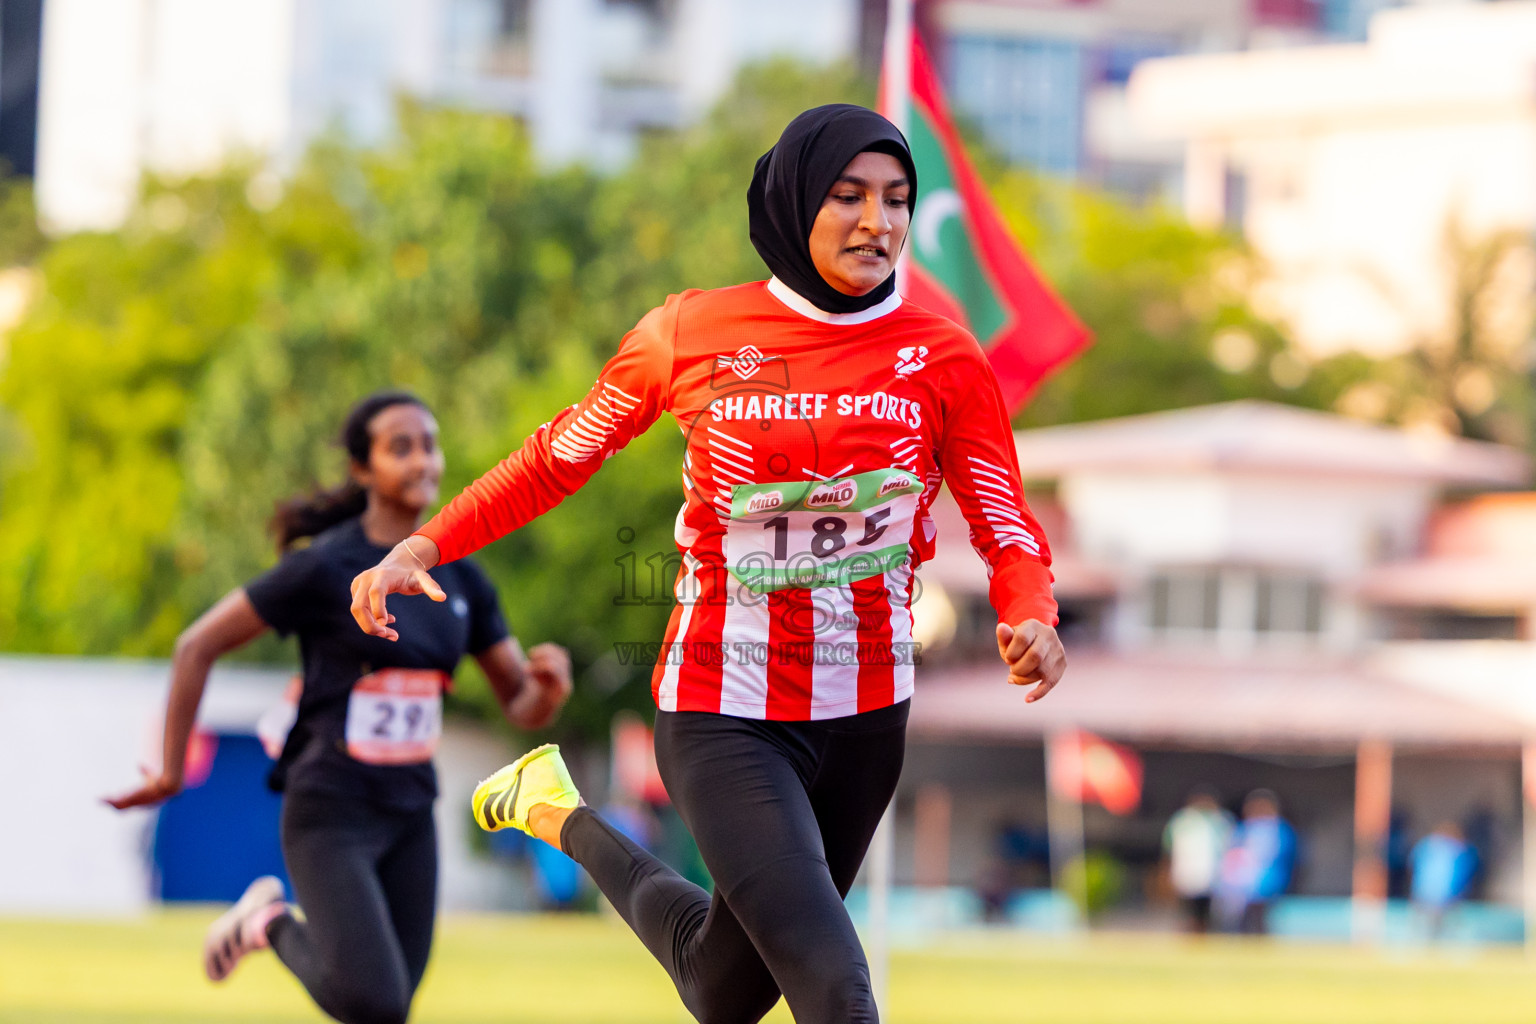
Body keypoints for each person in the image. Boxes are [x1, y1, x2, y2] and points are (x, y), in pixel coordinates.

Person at [350, 104, 1067, 1024]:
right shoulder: (689, 333)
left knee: (721, 990)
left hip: (865, 718)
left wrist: (1034, 612)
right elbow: (556, 456)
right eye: (847, 196)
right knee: (838, 995)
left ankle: (554, 810)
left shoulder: (945, 358)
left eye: (896, 199)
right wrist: (423, 542)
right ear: (794, 201)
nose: (876, 223)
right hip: (722, 708)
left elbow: (1003, 518)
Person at [108, 391, 572, 1024]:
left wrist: (546, 691)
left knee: (391, 1008)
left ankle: (267, 922)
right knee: (373, 1002)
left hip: (411, 810)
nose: (422, 461)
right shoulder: (325, 566)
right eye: (399, 447)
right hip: (330, 807)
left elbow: (519, 701)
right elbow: (196, 646)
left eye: (429, 445)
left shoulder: (463, 576)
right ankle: (268, 922)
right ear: (363, 469)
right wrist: (167, 770)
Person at [1216, 789, 1296, 935]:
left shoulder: (1280, 829)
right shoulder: (1243, 828)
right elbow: (1231, 854)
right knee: (1240, 921)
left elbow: (1285, 855)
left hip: (1267, 882)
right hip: (1241, 884)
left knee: (1262, 919)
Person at [1162, 787, 1233, 933]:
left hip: (1212, 872)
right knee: (1188, 906)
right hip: (1187, 869)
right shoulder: (1182, 820)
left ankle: (1204, 931)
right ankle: (1191, 930)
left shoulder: (1219, 821)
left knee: (1207, 907)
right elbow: (1169, 846)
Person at [1409, 821, 1477, 940]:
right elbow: (1465, 873)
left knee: (1426, 927)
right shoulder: (1458, 850)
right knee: (1440, 928)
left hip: (1426, 894)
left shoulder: (1426, 846)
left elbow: (1412, 864)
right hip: (1444, 896)